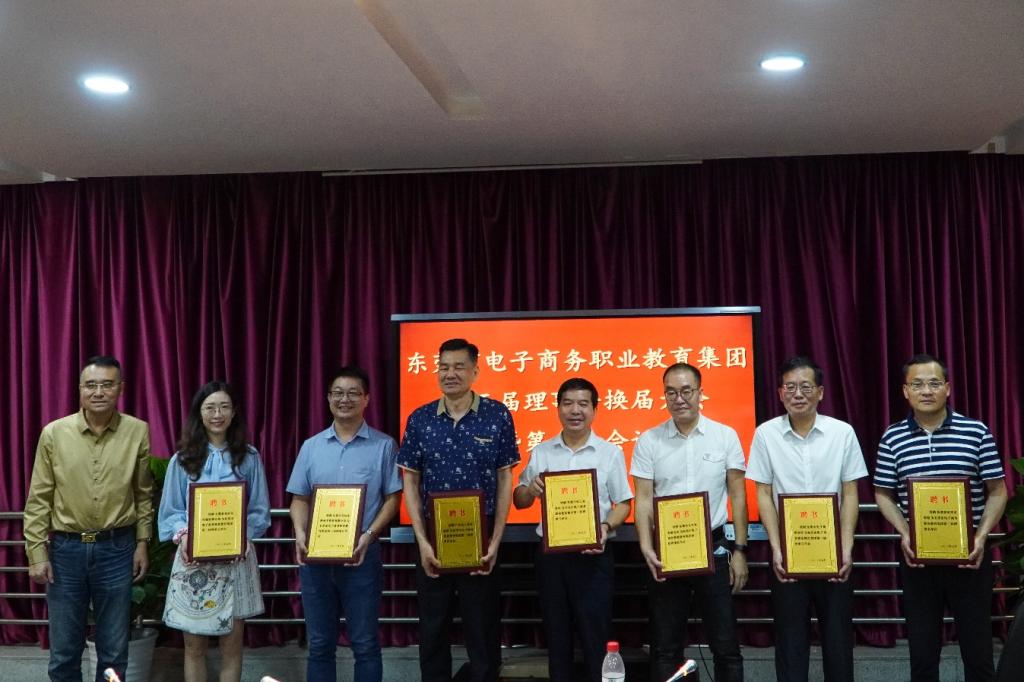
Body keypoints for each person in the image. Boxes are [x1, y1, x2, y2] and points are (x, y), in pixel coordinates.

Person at [874, 354, 1006, 682]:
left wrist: (980, 537)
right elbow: (883, 494)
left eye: (934, 383)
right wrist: (905, 533)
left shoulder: (976, 432)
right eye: (917, 384)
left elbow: (997, 491)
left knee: (979, 655)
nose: (926, 391)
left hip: (970, 559)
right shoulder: (892, 437)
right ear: (905, 391)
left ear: (947, 388)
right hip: (917, 561)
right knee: (922, 657)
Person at [23, 355, 154, 682]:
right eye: (91, 385)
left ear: (120, 389)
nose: (98, 392)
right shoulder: (54, 433)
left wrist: (142, 543)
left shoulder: (137, 431)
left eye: (107, 385)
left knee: (114, 650)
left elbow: (143, 493)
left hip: (117, 549)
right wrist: (36, 553)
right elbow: (39, 497)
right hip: (66, 551)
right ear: (80, 389)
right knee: (64, 651)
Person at [398, 338, 520, 682]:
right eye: (443, 367)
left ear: (475, 371)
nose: (449, 374)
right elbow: (410, 482)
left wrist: (495, 540)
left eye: (458, 367)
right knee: (433, 624)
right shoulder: (420, 419)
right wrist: (422, 542)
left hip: (481, 534)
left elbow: (505, 479)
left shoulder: (497, 415)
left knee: (482, 625)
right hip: (432, 535)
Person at [745, 356, 867, 682]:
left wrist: (846, 548)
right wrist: (776, 548)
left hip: (834, 557)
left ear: (820, 392)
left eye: (806, 387)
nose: (798, 394)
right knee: (790, 645)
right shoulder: (766, 434)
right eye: (790, 387)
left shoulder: (842, 433)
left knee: (838, 644)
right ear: (780, 393)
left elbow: (850, 493)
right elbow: (763, 494)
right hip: (788, 557)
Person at [632, 362, 748, 682]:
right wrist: (646, 547)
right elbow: (643, 499)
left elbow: (738, 496)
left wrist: (740, 550)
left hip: (715, 548)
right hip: (666, 551)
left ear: (700, 393)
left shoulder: (725, 436)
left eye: (686, 391)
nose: (679, 399)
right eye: (671, 392)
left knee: (726, 645)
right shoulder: (649, 440)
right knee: (665, 646)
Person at [513, 377, 633, 682]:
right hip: (552, 559)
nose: (575, 410)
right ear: (558, 408)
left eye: (582, 404)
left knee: (596, 636)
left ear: (594, 410)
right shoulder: (542, 452)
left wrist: (605, 526)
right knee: (557, 636)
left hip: (594, 556)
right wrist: (531, 489)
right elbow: (520, 500)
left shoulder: (610, 453)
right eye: (568, 403)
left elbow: (623, 504)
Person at [287, 366, 402, 682]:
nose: (344, 399)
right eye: (337, 392)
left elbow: (393, 499)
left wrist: (369, 535)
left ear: (366, 399)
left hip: (362, 557)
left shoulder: (384, 446)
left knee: (365, 644)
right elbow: (299, 499)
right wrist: (300, 533)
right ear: (328, 398)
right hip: (316, 561)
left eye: (353, 393)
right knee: (319, 645)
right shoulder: (311, 447)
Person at [158, 380, 271, 682]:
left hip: (236, 560)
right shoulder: (182, 459)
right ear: (200, 413)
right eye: (210, 408)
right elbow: (171, 511)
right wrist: (183, 536)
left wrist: (244, 535)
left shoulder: (249, 457)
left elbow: (259, 510)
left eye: (224, 407)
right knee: (194, 648)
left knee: (231, 647)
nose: (217, 414)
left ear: (234, 412)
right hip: (194, 562)